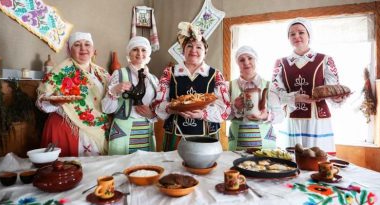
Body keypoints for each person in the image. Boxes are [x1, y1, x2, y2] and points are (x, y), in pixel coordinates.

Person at [271, 18, 347, 153]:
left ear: (309, 35)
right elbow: (276, 95)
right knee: (293, 161)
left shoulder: (325, 60)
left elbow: (332, 91)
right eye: (292, 34)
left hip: (317, 121)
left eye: (301, 32)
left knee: (318, 161)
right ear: (288, 38)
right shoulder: (280, 63)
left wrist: (338, 98)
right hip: (293, 120)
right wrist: (295, 98)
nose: (297, 36)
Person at [154, 22, 231, 152]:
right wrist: (173, 109)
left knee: (204, 167)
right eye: (189, 46)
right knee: (173, 169)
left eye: (199, 47)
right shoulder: (169, 73)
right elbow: (157, 104)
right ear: (183, 50)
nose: (193, 50)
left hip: (207, 136)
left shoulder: (216, 75)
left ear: (205, 51)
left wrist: (203, 114)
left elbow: (225, 109)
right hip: (175, 134)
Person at [36, 32, 110, 157]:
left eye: (87, 44)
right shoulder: (59, 71)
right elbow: (41, 102)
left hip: (99, 130)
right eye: (77, 45)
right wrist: (54, 102)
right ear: (70, 50)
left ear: (93, 50)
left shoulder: (102, 73)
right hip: (68, 130)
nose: (83, 48)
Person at [102, 36, 158, 155]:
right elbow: (107, 109)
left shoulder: (153, 80)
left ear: (148, 53)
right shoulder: (119, 74)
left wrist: (152, 114)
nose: (139, 53)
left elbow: (158, 107)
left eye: (143, 50)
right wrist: (115, 90)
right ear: (129, 53)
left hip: (146, 129)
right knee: (120, 168)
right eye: (135, 49)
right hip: (122, 128)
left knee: (145, 168)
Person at [228, 46, 284, 151]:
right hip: (237, 145)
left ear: (256, 60)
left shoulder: (269, 86)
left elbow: (281, 115)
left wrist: (266, 115)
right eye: (241, 60)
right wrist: (234, 107)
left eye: (250, 58)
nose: (246, 62)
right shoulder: (229, 86)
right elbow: (222, 115)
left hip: (266, 146)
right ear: (237, 63)